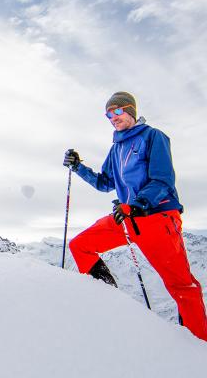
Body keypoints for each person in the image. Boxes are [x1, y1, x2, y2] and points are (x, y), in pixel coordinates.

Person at [63, 91, 207, 342]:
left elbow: (162, 179)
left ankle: (200, 344)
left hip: (156, 218)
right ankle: (113, 301)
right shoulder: (116, 148)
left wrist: (139, 204)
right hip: (126, 218)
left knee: (182, 287)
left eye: (117, 111)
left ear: (130, 110)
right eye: (108, 114)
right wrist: (78, 167)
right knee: (80, 246)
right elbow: (104, 183)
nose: (113, 117)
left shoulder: (153, 137)